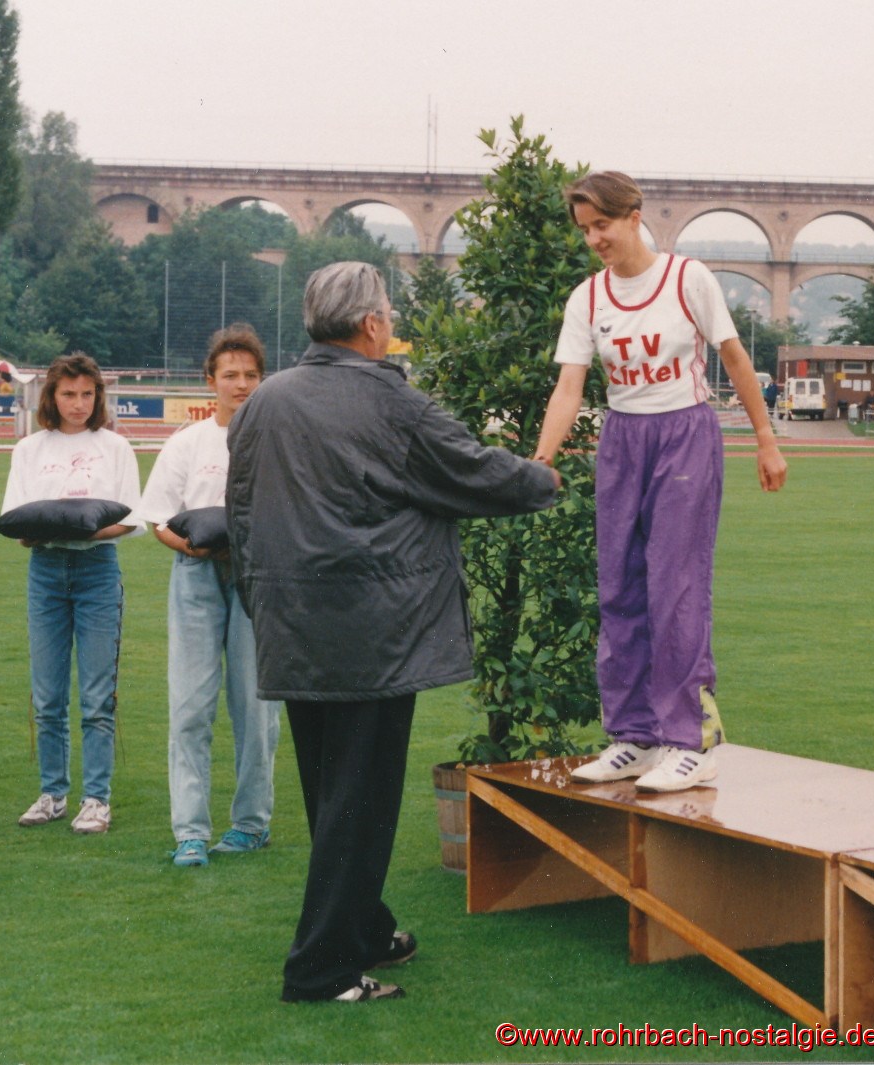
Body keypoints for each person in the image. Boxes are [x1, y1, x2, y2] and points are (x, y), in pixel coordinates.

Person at [227, 261, 559, 1003]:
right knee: (362, 799)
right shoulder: (393, 401)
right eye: (389, 313)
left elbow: (240, 515)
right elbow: (475, 474)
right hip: (374, 633)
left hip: (294, 623)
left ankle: (365, 928)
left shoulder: (263, 401)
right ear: (373, 323)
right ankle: (321, 968)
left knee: (332, 793)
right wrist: (547, 475)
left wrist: (262, 602)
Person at [534, 172, 787, 793]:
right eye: (585, 229)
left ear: (634, 216)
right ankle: (635, 736)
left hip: (684, 436)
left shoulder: (686, 278)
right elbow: (569, 387)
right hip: (623, 439)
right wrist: (540, 459)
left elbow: (733, 357)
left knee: (675, 587)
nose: (595, 238)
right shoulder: (588, 298)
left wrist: (765, 438)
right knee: (619, 586)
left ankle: (691, 741)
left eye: (603, 224)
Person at [135, 324, 281, 867]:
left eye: (249, 375)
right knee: (190, 707)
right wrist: (192, 547)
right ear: (210, 381)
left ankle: (250, 824)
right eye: (229, 375)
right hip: (195, 578)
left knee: (256, 706)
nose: (240, 384)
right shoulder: (187, 443)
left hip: (257, 579)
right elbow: (158, 519)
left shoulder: (275, 440)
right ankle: (190, 831)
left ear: (261, 380)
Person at [3, 353, 142, 834]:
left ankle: (96, 799)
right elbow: (17, 521)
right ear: (52, 397)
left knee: (98, 695)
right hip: (45, 572)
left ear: (98, 396)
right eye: (68, 394)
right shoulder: (29, 449)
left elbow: (130, 518)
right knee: (46, 695)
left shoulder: (116, 448)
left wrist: (89, 533)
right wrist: (44, 530)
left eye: (87, 394)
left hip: (97, 572)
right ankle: (52, 793)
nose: (78, 404)